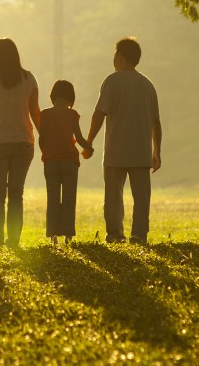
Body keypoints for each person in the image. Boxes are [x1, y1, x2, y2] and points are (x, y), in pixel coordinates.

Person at [83, 37, 162, 245]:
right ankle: (139, 237)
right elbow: (156, 123)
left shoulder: (112, 80)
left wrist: (89, 141)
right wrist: (157, 152)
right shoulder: (148, 85)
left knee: (113, 198)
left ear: (120, 56)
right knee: (141, 198)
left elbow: (99, 114)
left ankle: (115, 235)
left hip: (115, 151)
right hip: (141, 152)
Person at [0, 38, 40, 248]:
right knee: (16, 194)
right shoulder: (29, 79)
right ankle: (13, 239)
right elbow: (35, 113)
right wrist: (45, 138)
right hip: (23, 142)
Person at [39, 80, 94, 245]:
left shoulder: (45, 114)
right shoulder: (72, 115)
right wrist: (89, 148)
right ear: (70, 97)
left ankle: (53, 235)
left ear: (53, 96)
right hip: (70, 162)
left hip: (51, 162)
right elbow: (79, 138)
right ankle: (68, 235)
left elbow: (42, 139)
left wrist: (47, 153)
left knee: (53, 199)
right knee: (69, 199)